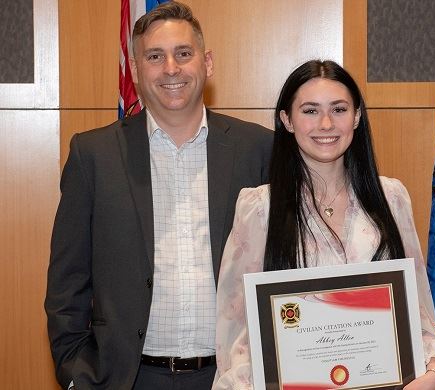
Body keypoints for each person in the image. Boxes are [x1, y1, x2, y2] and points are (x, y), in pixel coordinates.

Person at [44, 2, 273, 389]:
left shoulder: (259, 149)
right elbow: (67, 286)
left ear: (207, 63)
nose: (171, 68)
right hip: (128, 379)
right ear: (135, 70)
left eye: (184, 53)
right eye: (155, 56)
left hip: (233, 378)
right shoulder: (93, 155)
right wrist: (77, 377)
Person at [213, 60, 435, 389]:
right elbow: (237, 338)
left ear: (357, 116)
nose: (326, 123)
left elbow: (418, 311)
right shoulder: (259, 208)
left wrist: (433, 372)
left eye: (339, 109)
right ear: (287, 120)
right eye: (310, 110)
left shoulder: (392, 198)